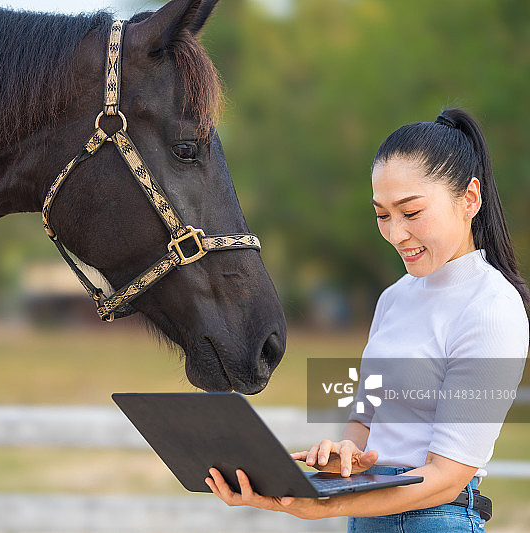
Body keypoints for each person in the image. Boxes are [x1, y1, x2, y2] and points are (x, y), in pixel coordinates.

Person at [206, 108, 529, 531]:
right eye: (382, 214)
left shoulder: (491, 308)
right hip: (365, 517)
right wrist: (344, 455)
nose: (396, 233)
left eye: (411, 213)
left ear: (469, 199)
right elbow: (364, 417)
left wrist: (322, 507)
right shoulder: (394, 299)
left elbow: (447, 479)